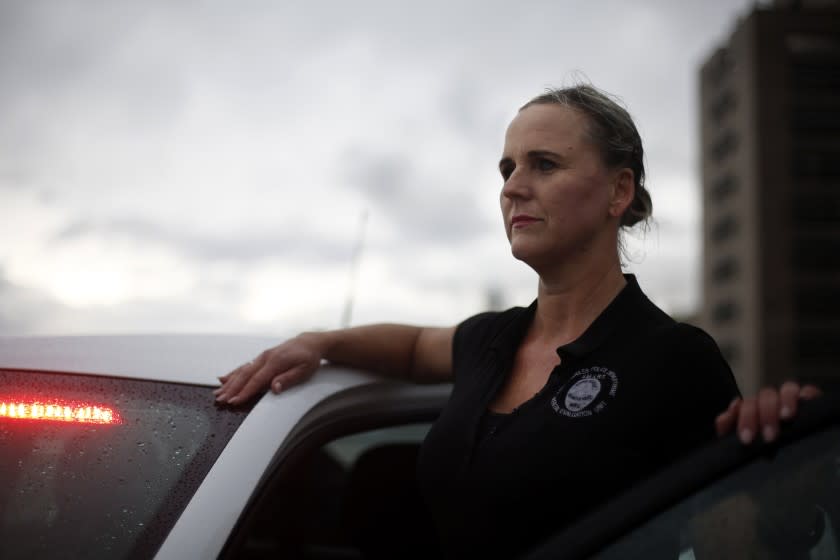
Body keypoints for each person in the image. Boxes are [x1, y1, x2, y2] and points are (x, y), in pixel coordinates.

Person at [214, 84, 820, 558]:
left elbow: (727, 543)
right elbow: (414, 346)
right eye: (507, 170)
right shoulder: (491, 339)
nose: (513, 188)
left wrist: (785, 478)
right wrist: (317, 342)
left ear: (618, 192)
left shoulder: (677, 360)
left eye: (544, 165)